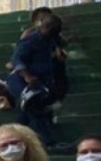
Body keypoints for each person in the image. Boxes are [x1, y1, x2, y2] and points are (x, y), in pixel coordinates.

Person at [5, 15, 62, 148]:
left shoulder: (50, 40)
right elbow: (16, 59)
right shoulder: (31, 40)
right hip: (22, 80)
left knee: (24, 114)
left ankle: (12, 140)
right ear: (47, 27)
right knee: (33, 107)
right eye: (54, 29)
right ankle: (49, 142)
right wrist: (27, 76)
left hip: (39, 82)